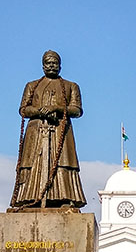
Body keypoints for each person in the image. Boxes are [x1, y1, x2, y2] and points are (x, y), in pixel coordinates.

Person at [10, 50, 87, 209]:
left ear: (60, 65)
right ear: (42, 65)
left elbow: (77, 110)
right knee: (32, 163)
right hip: (36, 131)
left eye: (55, 63)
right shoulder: (31, 86)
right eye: (48, 63)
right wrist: (39, 111)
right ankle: (30, 198)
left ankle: (65, 197)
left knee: (62, 163)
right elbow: (23, 110)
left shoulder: (71, 86)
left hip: (60, 131)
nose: (51, 65)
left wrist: (57, 108)